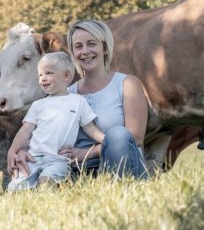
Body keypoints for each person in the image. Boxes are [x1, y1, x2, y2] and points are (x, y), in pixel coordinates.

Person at [10, 19, 149, 179]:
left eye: (91, 44)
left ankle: (119, 187)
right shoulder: (66, 93)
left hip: (121, 166)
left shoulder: (127, 84)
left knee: (118, 134)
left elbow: (135, 138)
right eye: (78, 46)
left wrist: (88, 153)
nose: (84, 51)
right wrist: (20, 151)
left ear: (104, 47)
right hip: (77, 171)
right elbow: (45, 135)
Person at [6, 52, 104, 190]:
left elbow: (90, 128)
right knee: (16, 187)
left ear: (66, 76)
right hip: (33, 158)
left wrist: (107, 141)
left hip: (58, 159)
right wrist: (13, 151)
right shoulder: (38, 105)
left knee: (47, 183)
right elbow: (25, 130)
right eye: (40, 75)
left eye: (49, 73)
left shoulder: (77, 101)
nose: (43, 78)